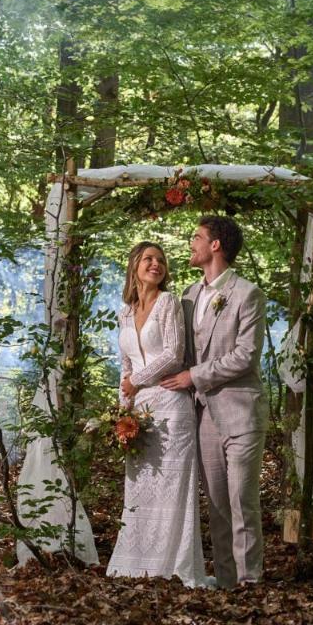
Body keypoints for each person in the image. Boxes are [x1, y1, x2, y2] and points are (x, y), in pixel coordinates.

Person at [160, 216, 266, 588]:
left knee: (242, 502)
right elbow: (176, 351)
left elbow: (245, 356)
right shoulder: (188, 296)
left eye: (196, 237)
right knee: (217, 506)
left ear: (216, 245)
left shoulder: (247, 294)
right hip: (202, 414)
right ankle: (225, 582)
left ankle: (250, 582)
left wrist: (194, 376)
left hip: (241, 412)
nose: (191, 243)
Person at [106, 241, 212, 587]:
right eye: (149, 259)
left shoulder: (168, 302)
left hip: (170, 407)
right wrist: (121, 414)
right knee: (140, 488)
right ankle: (137, 563)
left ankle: (173, 566)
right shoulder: (124, 310)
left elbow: (174, 354)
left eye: (161, 260)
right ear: (134, 264)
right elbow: (124, 365)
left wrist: (135, 381)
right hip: (138, 410)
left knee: (170, 488)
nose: (156, 264)